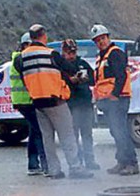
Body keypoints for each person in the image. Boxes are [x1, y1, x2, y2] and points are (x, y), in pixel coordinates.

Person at [14, 24, 93, 179]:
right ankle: (75, 168)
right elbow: (71, 70)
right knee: (67, 136)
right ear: (44, 36)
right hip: (55, 101)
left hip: (37, 103)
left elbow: (22, 72)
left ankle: (54, 170)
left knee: (47, 138)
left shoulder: (20, 58)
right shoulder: (51, 54)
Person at [90, 24, 139, 176]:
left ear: (108, 37)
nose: (101, 42)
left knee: (121, 131)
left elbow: (121, 76)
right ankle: (122, 161)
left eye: (103, 39)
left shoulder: (115, 53)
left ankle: (131, 163)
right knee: (116, 131)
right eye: (98, 41)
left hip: (117, 99)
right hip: (108, 100)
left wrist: (115, 95)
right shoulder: (102, 57)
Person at [10, 32, 47, 176]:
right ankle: (45, 164)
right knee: (39, 131)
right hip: (27, 100)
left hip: (25, 100)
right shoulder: (21, 59)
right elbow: (28, 80)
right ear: (25, 45)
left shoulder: (19, 58)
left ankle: (33, 164)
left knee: (34, 131)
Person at [61, 39, 100, 170]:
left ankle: (90, 160)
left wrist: (85, 78)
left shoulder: (82, 63)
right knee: (73, 135)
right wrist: (71, 80)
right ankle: (77, 162)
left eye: (73, 52)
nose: (71, 55)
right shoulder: (60, 66)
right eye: (68, 52)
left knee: (87, 134)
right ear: (63, 52)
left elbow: (94, 80)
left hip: (85, 103)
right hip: (71, 104)